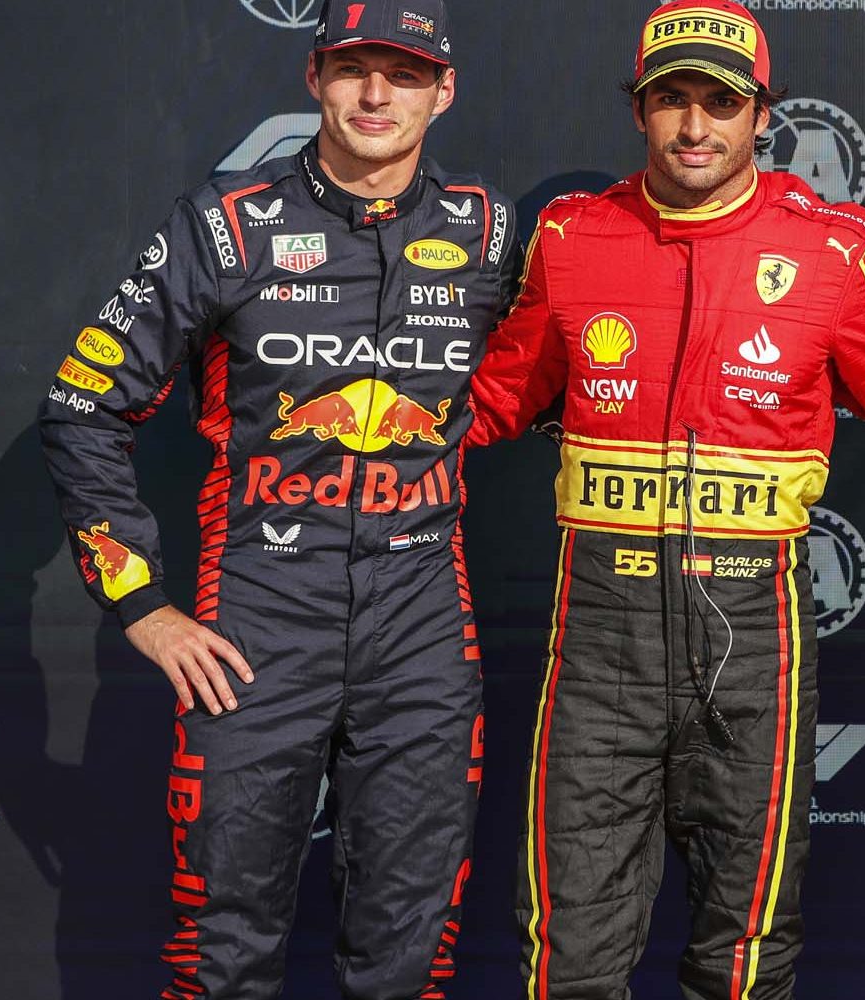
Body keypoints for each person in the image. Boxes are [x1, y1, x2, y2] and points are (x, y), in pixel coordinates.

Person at [37, 0, 516, 995]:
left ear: (445, 90)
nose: (376, 94)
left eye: (404, 73)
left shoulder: (492, 231)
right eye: (353, 69)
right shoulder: (224, 224)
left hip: (424, 627)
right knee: (219, 948)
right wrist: (143, 607)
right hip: (255, 618)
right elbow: (82, 406)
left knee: (410, 955)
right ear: (314, 78)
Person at [464, 2, 865, 997]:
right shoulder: (573, 233)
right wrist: (351, 427)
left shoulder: (836, 250)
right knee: (568, 945)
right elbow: (495, 397)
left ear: (762, 113)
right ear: (637, 110)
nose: (693, 127)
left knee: (747, 947)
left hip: (755, 630)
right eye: (671, 100)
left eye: (719, 103)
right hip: (598, 631)